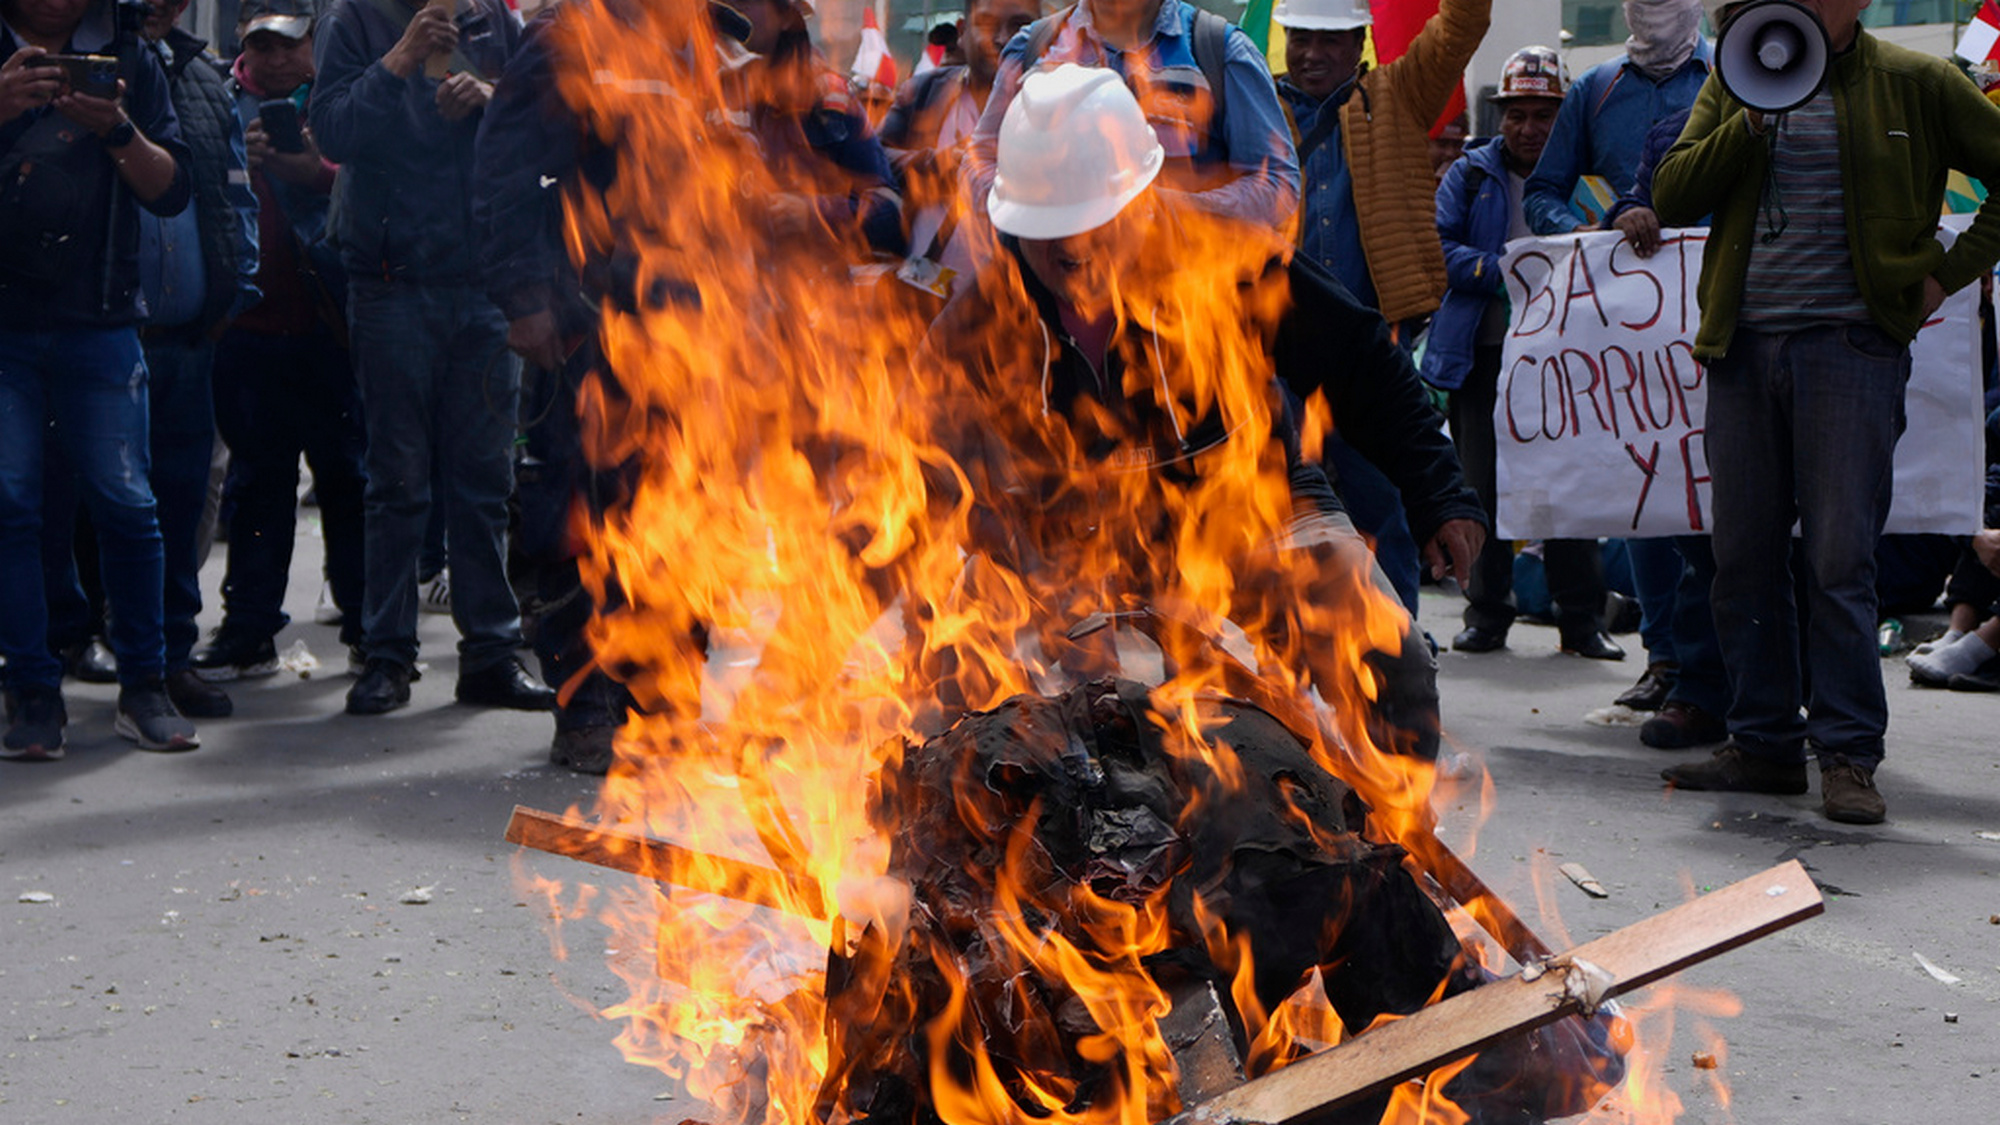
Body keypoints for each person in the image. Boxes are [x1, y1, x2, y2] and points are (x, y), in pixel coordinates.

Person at [927, 63, 1485, 764]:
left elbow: (1362, 362)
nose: (1073, 251)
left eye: (1093, 227)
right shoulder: (984, 314)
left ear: (1140, 202)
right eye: (1051, 235)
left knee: (1390, 659)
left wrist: (1440, 494)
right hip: (1076, 536)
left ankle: (1389, 821)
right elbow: (917, 463)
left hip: (1254, 504)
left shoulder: (1226, 259)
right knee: (950, 681)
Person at [1652, 0, 2000, 824]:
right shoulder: (1736, 74)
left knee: (1839, 560)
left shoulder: (1916, 81)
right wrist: (1748, 121)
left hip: (1851, 352)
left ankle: (1848, 754)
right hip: (1743, 351)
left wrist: (1945, 278)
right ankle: (1763, 743)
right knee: (1743, 557)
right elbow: (1671, 193)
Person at [310, 0, 556, 715]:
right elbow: (333, 131)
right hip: (391, 284)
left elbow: (542, 128)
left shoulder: (494, 18)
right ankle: (386, 653)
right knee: (397, 480)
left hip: (484, 284)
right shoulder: (355, 18)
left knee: (485, 481)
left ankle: (490, 654)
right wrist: (401, 58)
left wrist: (491, 97)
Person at [3, 0, 200, 756]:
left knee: (128, 506)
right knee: (11, 508)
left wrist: (116, 128)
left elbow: (172, 190)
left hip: (102, 314)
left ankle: (145, 684)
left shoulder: (127, 54)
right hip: (5, 324)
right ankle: (31, 690)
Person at [1269, 0, 1487, 631]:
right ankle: (1296, 649)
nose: (1312, 53)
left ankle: (1397, 649)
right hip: (1279, 341)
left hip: (1378, 342)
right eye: (1301, 38)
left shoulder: (1402, 92)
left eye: (1329, 40)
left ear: (1359, 40)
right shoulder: (1256, 102)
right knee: (1279, 504)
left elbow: (1464, 24)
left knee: (1382, 500)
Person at [1521, 0, 1714, 698]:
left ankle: (1719, 669)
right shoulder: (1594, 90)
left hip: (1718, 318)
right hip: (1630, 337)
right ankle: (1664, 659)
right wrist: (1592, 231)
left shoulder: (1731, 77)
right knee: (1647, 490)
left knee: (1716, 498)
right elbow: (1543, 193)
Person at [1419, 46, 1624, 663]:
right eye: (1517, 114)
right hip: (1482, 356)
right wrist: (1508, 270)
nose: (1529, 128)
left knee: (1570, 487)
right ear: (1500, 117)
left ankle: (1581, 621)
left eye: (1543, 115)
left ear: (1565, 116)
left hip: (1569, 362)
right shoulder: (1469, 174)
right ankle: (1486, 614)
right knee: (1479, 486)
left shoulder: (1590, 178)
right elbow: (1438, 249)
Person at [193, 0, 369, 689]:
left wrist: (308, 169)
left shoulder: (338, 102)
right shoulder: (215, 100)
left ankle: (368, 627)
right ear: (244, 43)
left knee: (347, 479)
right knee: (256, 484)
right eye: (262, 45)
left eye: (288, 45)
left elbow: (365, 183)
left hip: (331, 326)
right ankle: (248, 630)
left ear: (313, 43)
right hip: (247, 327)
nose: (274, 58)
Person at [964, 0, 1300, 234]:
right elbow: (978, 163)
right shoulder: (1032, 49)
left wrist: (1171, 210)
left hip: (1185, 299)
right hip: (1057, 300)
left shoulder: (1220, 50)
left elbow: (1277, 185)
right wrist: (1035, 213)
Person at [878, 0, 1038, 285]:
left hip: (1017, 295)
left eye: (1020, 26)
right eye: (987, 24)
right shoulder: (924, 91)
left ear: (1040, 33)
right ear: (963, 31)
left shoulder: (1055, 107)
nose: (1003, 39)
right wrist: (936, 165)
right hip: (925, 292)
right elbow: (875, 158)